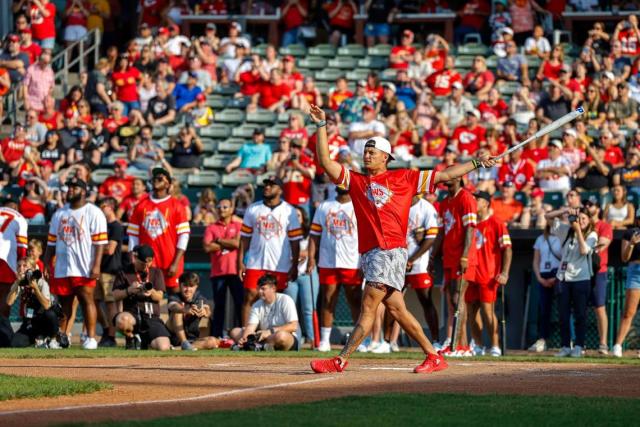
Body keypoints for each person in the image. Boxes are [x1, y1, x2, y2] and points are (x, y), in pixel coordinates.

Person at [307, 104, 497, 373]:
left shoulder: (404, 178)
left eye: (372, 152)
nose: (367, 155)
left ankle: (340, 360)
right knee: (397, 310)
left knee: (369, 304)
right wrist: (321, 126)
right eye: (366, 152)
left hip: (388, 250)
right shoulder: (357, 181)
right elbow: (326, 162)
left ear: (386, 157)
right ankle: (433, 356)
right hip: (374, 253)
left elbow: (445, 175)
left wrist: (477, 163)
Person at [44, 177, 107, 350]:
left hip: (84, 265)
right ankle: (61, 338)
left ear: (84, 191)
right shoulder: (59, 213)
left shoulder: (93, 212)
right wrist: (46, 263)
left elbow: (100, 243)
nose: (70, 190)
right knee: (64, 304)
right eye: (69, 187)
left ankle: (91, 337)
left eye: (75, 187)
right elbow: (51, 243)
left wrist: (96, 265)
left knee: (87, 299)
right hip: (63, 266)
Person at [238, 175, 302, 324]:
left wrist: (294, 265)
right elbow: (245, 237)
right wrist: (241, 261)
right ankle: (246, 336)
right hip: (255, 260)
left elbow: (295, 241)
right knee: (250, 296)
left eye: (272, 185)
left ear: (280, 190)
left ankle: (270, 335)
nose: (267, 187)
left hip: (279, 263)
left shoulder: (289, 211)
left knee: (275, 299)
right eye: (266, 184)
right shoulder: (253, 208)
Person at [307, 187, 361, 352]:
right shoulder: (324, 206)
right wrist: (311, 258)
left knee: (355, 301)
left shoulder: (359, 205)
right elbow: (314, 234)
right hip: (328, 261)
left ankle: (359, 340)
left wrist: (365, 260)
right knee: (328, 300)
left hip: (353, 261)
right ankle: (324, 340)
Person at [127, 167, 190, 294]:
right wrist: (132, 259)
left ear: (168, 184)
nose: (156, 180)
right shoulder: (140, 206)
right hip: (147, 263)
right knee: (148, 297)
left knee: (175, 296)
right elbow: (133, 236)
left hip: (170, 261)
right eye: (154, 177)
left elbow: (184, 236)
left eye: (160, 178)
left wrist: (175, 263)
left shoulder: (177, 206)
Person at [545, 207, 598, 358]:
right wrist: (565, 210)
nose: (580, 221)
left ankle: (579, 345)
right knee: (563, 314)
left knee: (580, 314)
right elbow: (547, 216)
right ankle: (565, 346)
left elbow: (583, 250)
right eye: (578, 218)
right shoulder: (566, 230)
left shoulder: (592, 234)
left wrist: (578, 230)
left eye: (583, 219)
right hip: (563, 278)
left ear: (589, 221)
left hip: (582, 279)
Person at [436, 174, 478, 356]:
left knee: (458, 298)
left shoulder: (466, 198)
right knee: (453, 302)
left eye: (452, 174)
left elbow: (470, 228)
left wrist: (465, 255)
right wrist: (432, 257)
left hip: (462, 256)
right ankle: (462, 345)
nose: (447, 177)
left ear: (460, 178)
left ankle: (458, 346)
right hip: (448, 256)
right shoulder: (444, 201)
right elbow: (441, 232)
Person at [466, 191, 512, 357]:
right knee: (472, 310)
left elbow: (507, 249)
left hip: (488, 274)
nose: (474, 202)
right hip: (471, 273)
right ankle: (478, 345)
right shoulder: (471, 223)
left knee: (487, 311)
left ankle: (495, 345)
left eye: (477, 200)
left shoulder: (497, 223)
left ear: (486, 203)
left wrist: (505, 272)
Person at [112, 245, 171, 351]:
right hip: (132, 315)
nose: (146, 266)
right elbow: (115, 295)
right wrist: (129, 290)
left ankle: (145, 342)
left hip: (151, 317)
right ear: (135, 258)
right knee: (122, 320)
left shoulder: (156, 272)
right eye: (142, 263)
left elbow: (159, 297)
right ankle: (131, 338)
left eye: (149, 262)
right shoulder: (124, 272)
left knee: (163, 347)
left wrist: (152, 292)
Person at [203, 199, 243, 338]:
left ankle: (243, 334)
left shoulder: (238, 225)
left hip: (235, 270)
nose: (221, 209)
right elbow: (207, 247)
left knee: (240, 303)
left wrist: (218, 241)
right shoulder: (211, 227)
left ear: (232, 209)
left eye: (225, 206)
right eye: (219, 206)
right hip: (218, 272)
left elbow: (238, 243)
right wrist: (229, 243)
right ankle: (217, 335)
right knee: (219, 306)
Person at [229, 274, 299, 351]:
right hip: (262, 336)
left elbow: (293, 326)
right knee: (235, 331)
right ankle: (257, 346)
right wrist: (245, 338)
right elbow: (251, 327)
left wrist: (269, 332)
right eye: (258, 289)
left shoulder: (286, 300)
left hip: (283, 337)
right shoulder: (256, 304)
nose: (259, 291)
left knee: (281, 336)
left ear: (273, 288)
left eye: (263, 289)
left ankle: (255, 346)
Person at [404, 194, 440, 345]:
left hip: (420, 263)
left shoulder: (426, 207)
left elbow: (431, 238)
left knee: (425, 300)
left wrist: (412, 259)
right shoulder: (399, 203)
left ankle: (436, 341)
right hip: (399, 259)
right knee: (393, 301)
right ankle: (386, 342)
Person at [6, 257, 59, 348]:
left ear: (33, 269)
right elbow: (9, 302)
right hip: (30, 321)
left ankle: (53, 339)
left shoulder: (41, 282)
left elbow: (46, 306)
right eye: (19, 266)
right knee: (14, 343)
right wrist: (17, 283)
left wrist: (35, 288)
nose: (21, 268)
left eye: (25, 266)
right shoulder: (20, 282)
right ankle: (37, 340)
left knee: (51, 314)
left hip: (44, 320)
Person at [584, 199, 613, 355]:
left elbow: (602, 244)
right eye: (586, 205)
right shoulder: (583, 225)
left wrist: (583, 247)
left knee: (600, 308)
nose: (588, 207)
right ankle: (577, 344)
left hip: (598, 271)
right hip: (581, 272)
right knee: (579, 308)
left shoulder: (604, 226)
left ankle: (603, 344)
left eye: (591, 205)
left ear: (598, 208)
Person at [528, 223, 562, 352]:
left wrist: (557, 277)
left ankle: (569, 341)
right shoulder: (540, 239)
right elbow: (536, 261)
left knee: (563, 309)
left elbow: (565, 259)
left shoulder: (562, 237)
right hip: (543, 275)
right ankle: (542, 340)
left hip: (558, 274)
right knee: (544, 310)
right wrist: (539, 278)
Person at [95, 197, 123, 348]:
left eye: (103, 205)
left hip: (110, 270)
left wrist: (94, 246)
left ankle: (111, 336)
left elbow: (110, 249)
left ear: (111, 207)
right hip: (98, 269)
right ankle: (106, 330)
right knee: (93, 301)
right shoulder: (101, 225)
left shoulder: (116, 226)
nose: (100, 208)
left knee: (111, 304)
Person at [167, 272, 219, 350]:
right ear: (180, 285)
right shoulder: (175, 296)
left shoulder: (200, 298)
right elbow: (172, 306)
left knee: (213, 341)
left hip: (193, 339)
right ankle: (183, 343)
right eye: (185, 286)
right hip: (174, 337)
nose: (188, 289)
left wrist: (205, 312)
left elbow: (207, 309)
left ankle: (180, 348)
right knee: (178, 312)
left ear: (196, 287)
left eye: (191, 286)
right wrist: (185, 310)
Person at [613, 227, 640, 357]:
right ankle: (617, 346)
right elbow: (624, 258)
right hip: (635, 272)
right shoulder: (631, 233)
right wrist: (632, 244)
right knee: (629, 311)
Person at [0, 197, 29, 318]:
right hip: (5, 261)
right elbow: (22, 248)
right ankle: (3, 330)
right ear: (16, 207)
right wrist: (21, 267)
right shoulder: (20, 218)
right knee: (5, 298)